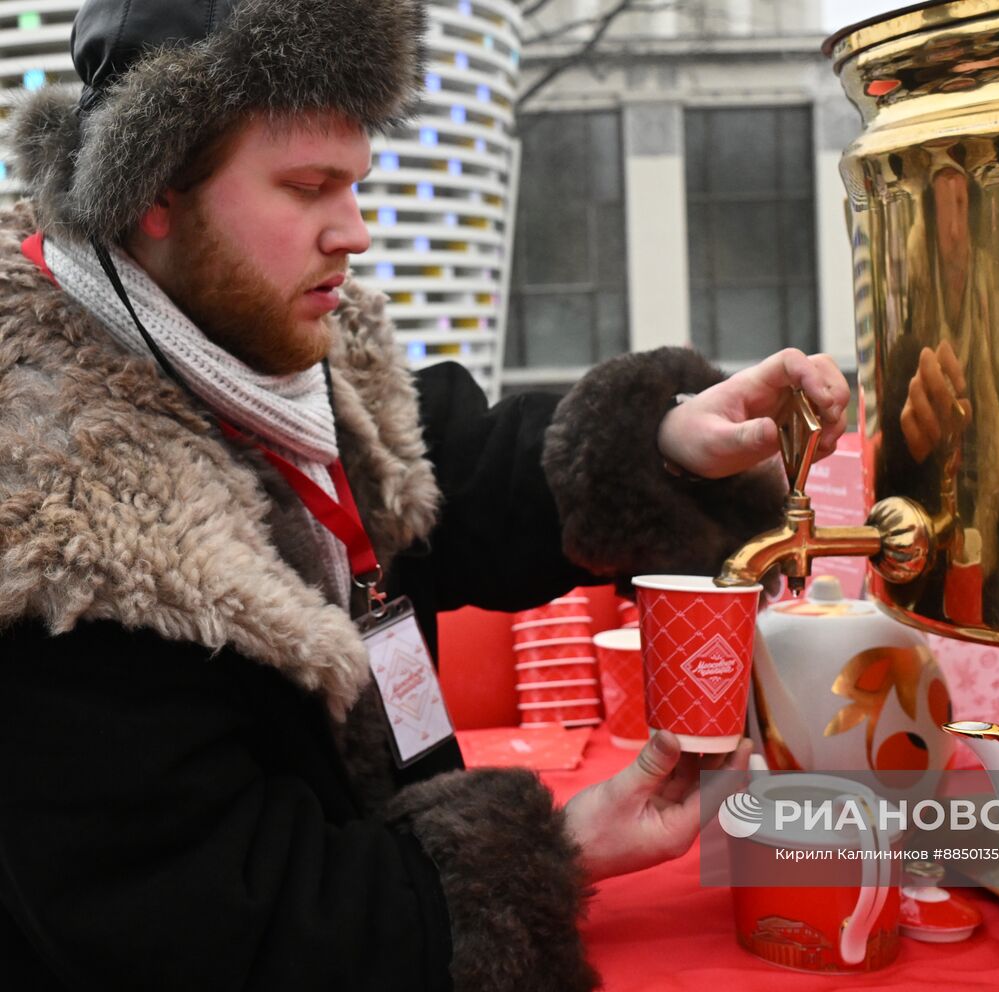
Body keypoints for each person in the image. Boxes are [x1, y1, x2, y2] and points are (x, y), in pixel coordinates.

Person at [0, 0, 849, 988]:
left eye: (355, 183)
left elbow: (457, 470)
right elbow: (206, 924)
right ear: (152, 191)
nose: (355, 232)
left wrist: (670, 438)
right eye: (310, 187)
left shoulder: (249, 336)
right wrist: (544, 857)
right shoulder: (50, 533)